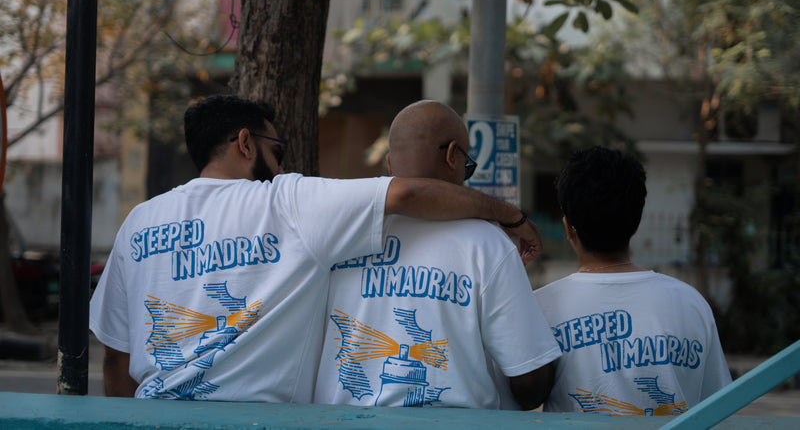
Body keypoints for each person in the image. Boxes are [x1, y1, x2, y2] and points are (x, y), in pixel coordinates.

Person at [89, 94, 542, 403]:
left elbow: (115, 357)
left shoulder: (139, 222)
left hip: (149, 416)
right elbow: (408, 193)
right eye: (278, 151)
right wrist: (510, 216)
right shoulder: (285, 202)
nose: (281, 165)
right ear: (245, 143)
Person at [313, 101, 561, 410]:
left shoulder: (337, 236)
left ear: (389, 163)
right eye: (467, 165)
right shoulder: (488, 245)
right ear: (451, 155)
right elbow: (530, 383)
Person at [534, 146, 731, 415]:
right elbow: (718, 408)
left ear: (568, 227)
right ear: (637, 223)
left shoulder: (540, 308)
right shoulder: (691, 304)